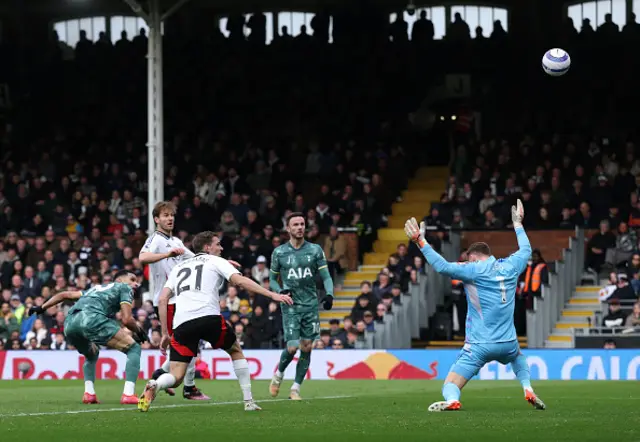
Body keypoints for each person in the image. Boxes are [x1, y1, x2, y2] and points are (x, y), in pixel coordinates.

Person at [403, 199, 545, 412]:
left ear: (475, 257)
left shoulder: (475, 270)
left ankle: (452, 400)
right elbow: (525, 250)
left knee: (450, 383)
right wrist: (517, 224)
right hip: (508, 342)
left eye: (469, 259)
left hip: (480, 345)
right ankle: (527, 387)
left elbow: (442, 267)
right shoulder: (512, 265)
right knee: (517, 358)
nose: (466, 263)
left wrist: (420, 242)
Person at [137, 231, 293, 412]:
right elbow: (240, 282)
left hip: (181, 323)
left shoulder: (178, 268)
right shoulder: (216, 261)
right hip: (208, 317)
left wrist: (165, 332)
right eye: (218, 244)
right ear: (207, 247)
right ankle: (249, 401)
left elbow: (163, 299)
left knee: (176, 376)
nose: (221, 247)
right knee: (235, 350)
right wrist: (273, 295)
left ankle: (155, 384)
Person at [28, 270, 146, 405]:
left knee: (92, 353)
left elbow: (64, 294)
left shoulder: (93, 290)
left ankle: (89, 394)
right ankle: (128, 394)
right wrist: (139, 331)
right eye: (132, 279)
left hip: (70, 324)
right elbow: (127, 319)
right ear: (119, 280)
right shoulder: (124, 287)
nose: (135, 284)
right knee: (134, 348)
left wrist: (42, 308)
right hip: (91, 318)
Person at [138, 201, 206, 400]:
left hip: (182, 300)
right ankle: (189, 387)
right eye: (165, 215)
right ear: (156, 219)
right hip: (168, 301)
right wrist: (166, 254)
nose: (169, 219)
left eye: (171, 215)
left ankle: (160, 377)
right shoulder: (156, 240)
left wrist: (221, 264)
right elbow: (142, 257)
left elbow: (196, 259)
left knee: (185, 345)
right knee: (188, 344)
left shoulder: (176, 241)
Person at [268, 212, 334, 400]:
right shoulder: (279, 252)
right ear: (288, 229)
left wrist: (329, 294)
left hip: (310, 306)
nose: (299, 227)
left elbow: (326, 276)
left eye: (302, 224)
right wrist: (280, 291)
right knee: (292, 347)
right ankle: (278, 375)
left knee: (306, 347)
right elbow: (272, 280)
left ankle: (295, 388)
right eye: (295, 224)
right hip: (290, 305)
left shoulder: (315, 250)